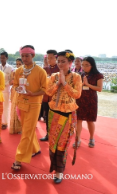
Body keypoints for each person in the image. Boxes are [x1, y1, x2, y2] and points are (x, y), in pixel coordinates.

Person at [45, 51, 82, 184]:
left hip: (67, 115)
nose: (60, 64)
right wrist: (58, 83)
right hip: (53, 113)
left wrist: (65, 83)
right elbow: (48, 92)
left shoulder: (77, 77)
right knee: (52, 142)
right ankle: (53, 166)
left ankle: (59, 171)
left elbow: (77, 95)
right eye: (58, 61)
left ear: (70, 62)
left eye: (63, 61)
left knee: (63, 143)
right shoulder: (53, 76)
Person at [11, 45, 47, 170]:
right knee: (27, 129)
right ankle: (35, 149)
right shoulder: (19, 70)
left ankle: (18, 159)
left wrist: (33, 94)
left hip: (34, 105)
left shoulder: (40, 71)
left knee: (26, 131)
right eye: (22, 56)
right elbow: (14, 85)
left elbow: (44, 90)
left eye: (27, 55)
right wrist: (18, 88)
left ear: (33, 55)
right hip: (21, 103)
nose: (25, 58)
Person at [75, 56, 103, 148]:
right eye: (83, 65)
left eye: (86, 65)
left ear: (92, 65)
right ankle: (78, 139)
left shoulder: (98, 75)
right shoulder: (81, 74)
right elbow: (77, 87)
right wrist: (82, 85)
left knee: (89, 120)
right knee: (78, 120)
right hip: (80, 99)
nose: (84, 67)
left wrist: (87, 84)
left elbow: (99, 89)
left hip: (91, 100)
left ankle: (91, 138)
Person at [40, 50, 59, 141]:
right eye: (48, 58)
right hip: (46, 97)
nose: (49, 60)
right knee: (47, 116)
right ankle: (48, 134)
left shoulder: (60, 69)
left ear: (56, 58)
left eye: (51, 58)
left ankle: (57, 135)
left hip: (56, 97)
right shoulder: (45, 69)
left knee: (56, 116)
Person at [0, 51, 13, 130]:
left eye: (3, 58)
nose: (2, 59)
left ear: (7, 58)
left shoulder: (10, 68)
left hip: (6, 89)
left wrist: (5, 84)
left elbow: (12, 80)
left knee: (5, 106)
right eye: (1, 58)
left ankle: (4, 122)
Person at [9, 58, 23, 134]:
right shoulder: (14, 72)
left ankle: (20, 128)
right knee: (14, 109)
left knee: (20, 109)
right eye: (17, 64)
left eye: (19, 64)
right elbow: (10, 82)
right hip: (14, 91)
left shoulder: (25, 72)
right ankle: (14, 128)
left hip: (21, 92)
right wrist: (13, 79)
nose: (18, 65)